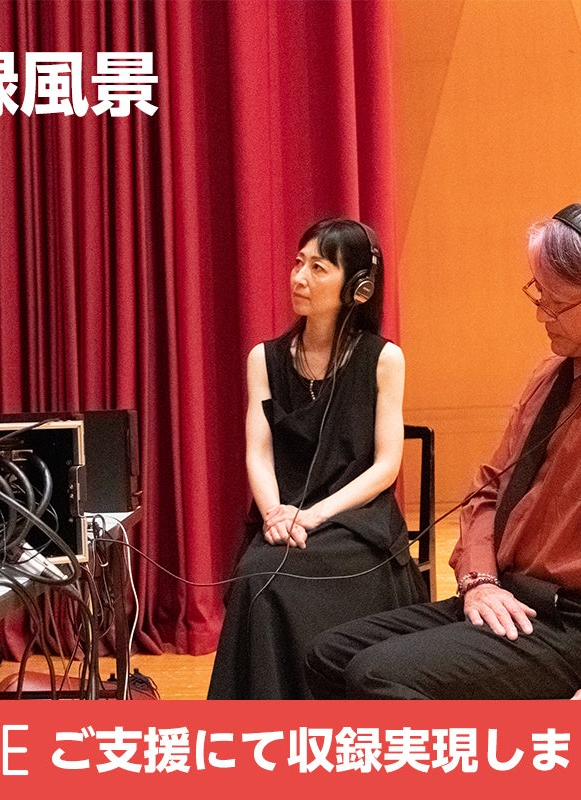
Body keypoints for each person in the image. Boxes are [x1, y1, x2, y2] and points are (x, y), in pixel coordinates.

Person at [304, 200, 581, 700]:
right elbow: (489, 489)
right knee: (328, 654)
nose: (541, 313)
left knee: (376, 675)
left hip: (580, 626)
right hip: (515, 598)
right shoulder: (554, 372)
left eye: (557, 303)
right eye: (539, 293)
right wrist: (479, 579)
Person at [207, 218, 428, 699]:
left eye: (319, 268)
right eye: (298, 263)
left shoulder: (384, 359)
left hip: (356, 521)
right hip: (283, 517)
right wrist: (274, 514)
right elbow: (258, 451)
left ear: (358, 288)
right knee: (257, 577)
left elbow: (385, 466)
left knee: (290, 577)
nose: (299, 277)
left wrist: (314, 515)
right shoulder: (264, 359)